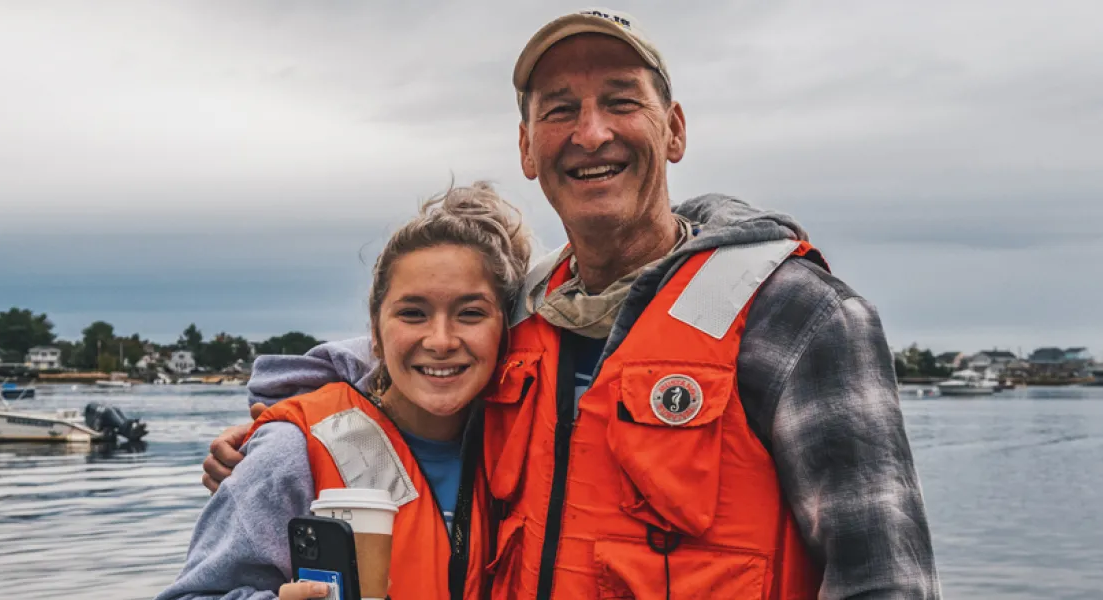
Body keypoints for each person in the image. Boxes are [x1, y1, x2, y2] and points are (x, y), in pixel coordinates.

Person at [206, 8, 940, 599]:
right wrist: (278, 432)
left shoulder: (799, 317)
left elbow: (886, 579)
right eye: (561, 110)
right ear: (528, 149)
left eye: (621, 101)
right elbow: (397, 361)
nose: (591, 132)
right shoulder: (521, 312)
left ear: (674, 130)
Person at [159, 182, 531, 600]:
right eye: (413, 313)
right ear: (376, 330)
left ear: (505, 329)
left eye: (470, 313)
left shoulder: (530, 447)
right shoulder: (291, 451)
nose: (441, 340)